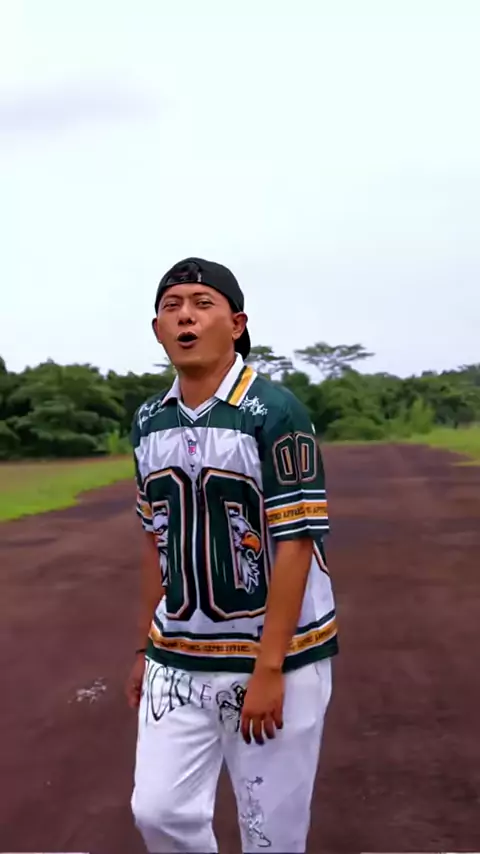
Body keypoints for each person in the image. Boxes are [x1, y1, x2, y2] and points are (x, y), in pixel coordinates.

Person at [126, 256, 338, 854]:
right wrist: (143, 647)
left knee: (270, 835)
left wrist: (269, 669)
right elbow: (154, 538)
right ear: (157, 329)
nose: (185, 317)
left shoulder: (275, 412)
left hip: (275, 657)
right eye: (172, 307)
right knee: (158, 812)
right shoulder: (147, 421)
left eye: (202, 303)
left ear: (237, 324)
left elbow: (296, 542)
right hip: (178, 653)